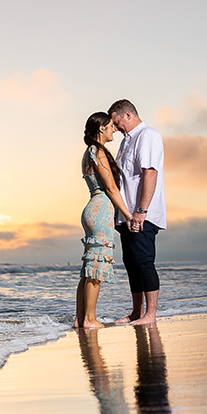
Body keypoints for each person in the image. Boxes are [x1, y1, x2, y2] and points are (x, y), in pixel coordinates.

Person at [108, 99, 166, 325]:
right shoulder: (126, 142)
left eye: (116, 121)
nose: (115, 127)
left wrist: (141, 211)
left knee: (144, 262)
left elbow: (150, 173)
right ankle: (136, 313)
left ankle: (150, 315)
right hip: (126, 215)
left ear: (128, 114)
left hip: (142, 214)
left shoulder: (147, 136)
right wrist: (120, 215)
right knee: (131, 263)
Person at [76, 112, 133, 329]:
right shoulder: (97, 151)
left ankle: (80, 319)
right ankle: (90, 319)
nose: (114, 129)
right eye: (110, 126)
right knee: (97, 267)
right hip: (100, 210)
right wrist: (128, 216)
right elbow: (111, 188)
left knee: (89, 268)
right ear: (101, 129)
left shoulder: (88, 152)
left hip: (92, 208)